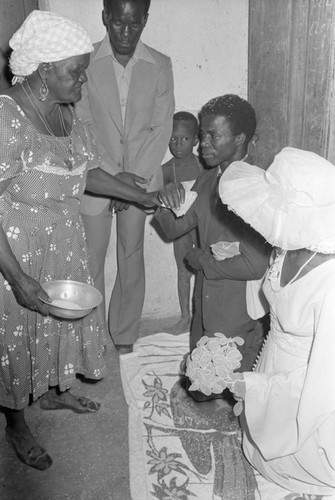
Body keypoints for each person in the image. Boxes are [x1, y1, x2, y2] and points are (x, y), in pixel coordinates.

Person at [0, 10, 180, 471]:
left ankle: (49, 397)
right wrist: (17, 275)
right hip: (16, 254)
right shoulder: (7, 118)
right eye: (75, 71)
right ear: (44, 70)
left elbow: (90, 173)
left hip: (60, 244)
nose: (83, 80)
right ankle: (17, 423)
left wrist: (145, 195)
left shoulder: (65, 113)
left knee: (50, 330)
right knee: (16, 340)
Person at [220, 147, 335, 497]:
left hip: (313, 384)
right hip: (276, 361)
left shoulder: (330, 280)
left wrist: (256, 389)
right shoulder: (289, 242)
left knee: (298, 458)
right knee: (258, 443)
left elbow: (324, 381)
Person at [154, 95, 271, 401]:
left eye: (213, 136)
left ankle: (251, 356)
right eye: (202, 135)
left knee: (225, 391)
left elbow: (255, 266)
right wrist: (165, 198)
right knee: (199, 389)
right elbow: (173, 227)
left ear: (240, 138)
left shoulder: (252, 187)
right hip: (206, 302)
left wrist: (201, 260)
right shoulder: (208, 180)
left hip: (235, 307)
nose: (202, 144)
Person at [75, 0, 175, 354]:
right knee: (91, 260)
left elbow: (161, 128)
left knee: (132, 255)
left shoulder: (160, 65)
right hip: (95, 177)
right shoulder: (83, 61)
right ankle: (92, 338)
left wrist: (132, 184)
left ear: (146, 19)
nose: (126, 33)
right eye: (118, 24)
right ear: (105, 18)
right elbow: (82, 127)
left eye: (135, 24)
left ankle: (124, 333)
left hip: (143, 180)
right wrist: (117, 180)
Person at [162, 111, 203, 334]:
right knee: (183, 271)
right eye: (173, 138)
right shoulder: (167, 170)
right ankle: (185, 316)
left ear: (196, 139)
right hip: (181, 228)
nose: (178, 144)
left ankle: (202, 314)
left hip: (204, 225)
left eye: (185, 139)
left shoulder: (204, 166)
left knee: (206, 268)